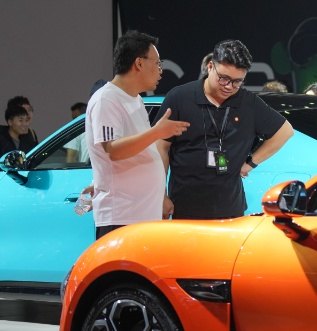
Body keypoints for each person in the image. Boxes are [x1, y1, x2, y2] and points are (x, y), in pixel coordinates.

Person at [153, 39, 294, 220]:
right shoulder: (180, 97)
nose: (229, 87)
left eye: (237, 82)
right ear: (211, 66)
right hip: (185, 206)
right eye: (224, 78)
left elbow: (285, 131)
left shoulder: (247, 102)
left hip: (230, 209)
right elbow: (160, 147)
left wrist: (250, 163)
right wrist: (161, 195)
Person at [85, 30, 190, 240]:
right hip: (122, 217)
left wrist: (160, 196)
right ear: (139, 63)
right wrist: (156, 133)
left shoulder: (135, 99)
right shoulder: (107, 99)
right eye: (158, 63)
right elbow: (113, 150)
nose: (161, 70)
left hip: (141, 216)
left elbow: (136, 151)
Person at [0, 105, 36, 174]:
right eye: (21, 120)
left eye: (26, 120)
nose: (25, 124)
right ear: (10, 122)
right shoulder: (0, 142)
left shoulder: (27, 141)